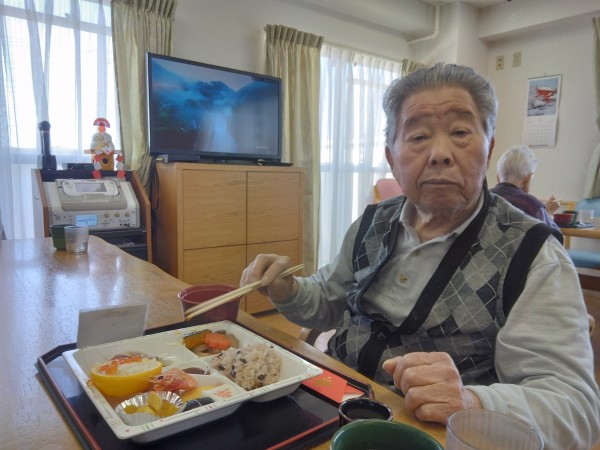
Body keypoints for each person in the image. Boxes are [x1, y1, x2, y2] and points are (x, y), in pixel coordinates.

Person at [241, 63, 600, 449]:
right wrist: (288, 290)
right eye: (418, 136)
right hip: (334, 406)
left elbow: (577, 410)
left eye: (460, 132)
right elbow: (327, 301)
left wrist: (472, 402)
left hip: (428, 436)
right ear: (392, 158)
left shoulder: (533, 255)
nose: (440, 154)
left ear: (489, 148)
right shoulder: (373, 221)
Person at [490, 144, 562, 239]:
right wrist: (548, 213)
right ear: (527, 179)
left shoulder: (483, 198)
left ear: (498, 177)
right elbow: (555, 239)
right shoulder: (532, 206)